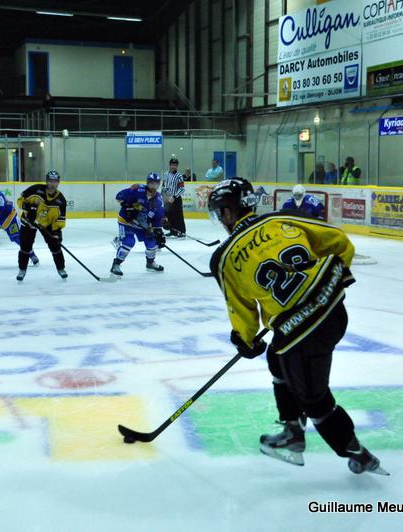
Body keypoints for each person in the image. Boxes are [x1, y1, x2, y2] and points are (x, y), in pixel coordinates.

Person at [207, 177, 386, 475]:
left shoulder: (224, 259)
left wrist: (245, 340)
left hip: (301, 337)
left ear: (227, 213)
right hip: (334, 313)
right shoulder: (280, 220)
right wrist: (326, 283)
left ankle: (356, 452)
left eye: (219, 213)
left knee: (314, 399)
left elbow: (242, 310)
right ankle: (292, 428)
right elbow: (339, 242)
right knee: (277, 356)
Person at [110, 172, 165, 277]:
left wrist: (158, 231)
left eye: (156, 184)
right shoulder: (137, 189)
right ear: (147, 183)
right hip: (126, 222)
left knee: (152, 244)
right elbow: (119, 196)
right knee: (129, 242)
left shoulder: (158, 199)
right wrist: (127, 207)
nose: (153, 186)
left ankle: (150, 263)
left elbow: (157, 217)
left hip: (142, 224)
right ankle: (116, 264)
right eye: (151, 184)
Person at [16, 170, 67, 282]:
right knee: (25, 247)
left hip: (46, 224)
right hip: (29, 222)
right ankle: (22, 269)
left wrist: (57, 233)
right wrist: (28, 207)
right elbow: (20, 201)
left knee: (55, 246)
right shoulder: (35, 189)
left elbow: (60, 220)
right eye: (50, 181)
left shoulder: (61, 200)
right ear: (46, 181)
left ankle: (61, 268)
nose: (52, 184)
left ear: (58, 182)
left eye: (55, 181)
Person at [162, 157, 186, 237]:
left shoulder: (179, 176)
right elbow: (163, 185)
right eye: (172, 165)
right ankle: (173, 231)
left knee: (178, 215)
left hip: (176, 198)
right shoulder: (166, 174)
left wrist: (174, 196)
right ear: (170, 165)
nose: (173, 166)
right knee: (169, 215)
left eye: (175, 165)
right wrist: (163, 195)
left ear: (177, 166)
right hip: (167, 198)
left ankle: (182, 231)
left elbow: (182, 189)